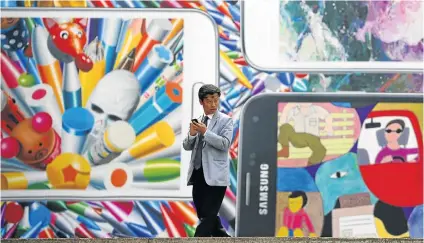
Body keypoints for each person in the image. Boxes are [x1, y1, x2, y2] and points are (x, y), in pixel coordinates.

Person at [182, 84, 234, 237]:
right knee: (204, 215)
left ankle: (198, 239)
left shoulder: (226, 120)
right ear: (201, 102)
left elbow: (224, 144)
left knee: (209, 215)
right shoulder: (198, 120)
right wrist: (192, 134)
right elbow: (187, 146)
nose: (213, 104)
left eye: (216, 100)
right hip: (198, 174)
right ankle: (224, 238)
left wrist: (206, 132)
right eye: (209, 101)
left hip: (216, 175)